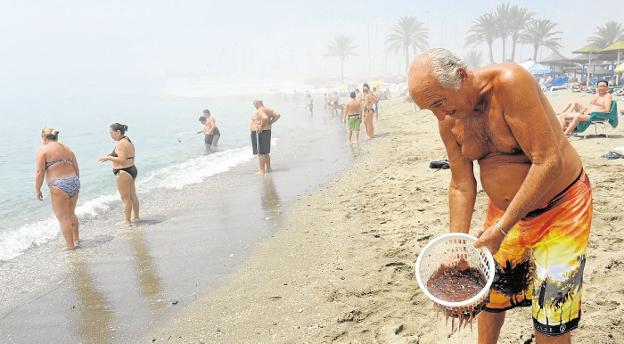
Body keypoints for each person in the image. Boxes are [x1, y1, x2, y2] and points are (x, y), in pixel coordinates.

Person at [408, 48, 591, 343]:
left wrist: (503, 227)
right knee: (489, 297)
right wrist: (459, 246)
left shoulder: (510, 83)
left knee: (551, 313)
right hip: (504, 214)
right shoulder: (448, 120)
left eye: (440, 103)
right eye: (430, 109)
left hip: (562, 209)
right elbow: (461, 184)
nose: (439, 115)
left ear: (461, 76)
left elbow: (548, 161)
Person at [35, 128, 81, 250]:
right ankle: (76, 240)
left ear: (44, 138)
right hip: (74, 181)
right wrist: (75, 182)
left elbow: (40, 172)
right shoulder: (67, 148)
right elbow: (76, 167)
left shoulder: (43, 150)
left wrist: (38, 189)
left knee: (63, 217)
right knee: (71, 213)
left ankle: (70, 247)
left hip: (59, 185)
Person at [99, 123, 140, 225]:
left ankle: (127, 220)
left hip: (124, 172)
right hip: (131, 169)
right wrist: (109, 156)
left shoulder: (121, 143)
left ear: (118, 132)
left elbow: (121, 159)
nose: (110, 135)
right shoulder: (127, 140)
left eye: (111, 133)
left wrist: (108, 158)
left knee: (125, 198)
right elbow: (123, 155)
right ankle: (136, 216)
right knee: (132, 195)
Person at [250, 100, 280, 175]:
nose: (254, 106)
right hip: (267, 131)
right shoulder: (268, 109)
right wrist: (271, 122)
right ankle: (268, 168)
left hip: (260, 132)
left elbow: (265, 118)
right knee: (266, 152)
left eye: (254, 104)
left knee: (261, 153)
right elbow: (278, 115)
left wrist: (260, 126)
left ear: (257, 104)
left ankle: (261, 170)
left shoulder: (260, 110)